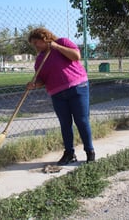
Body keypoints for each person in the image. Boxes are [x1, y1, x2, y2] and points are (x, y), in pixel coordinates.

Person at [26, 27, 95, 165]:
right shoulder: (39, 59)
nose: (35, 46)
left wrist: (56, 46)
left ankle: (89, 152)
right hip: (57, 94)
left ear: (45, 38)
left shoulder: (62, 42)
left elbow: (76, 56)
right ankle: (69, 153)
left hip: (78, 87)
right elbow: (42, 80)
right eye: (33, 44)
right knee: (65, 124)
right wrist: (34, 84)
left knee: (82, 121)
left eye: (36, 42)